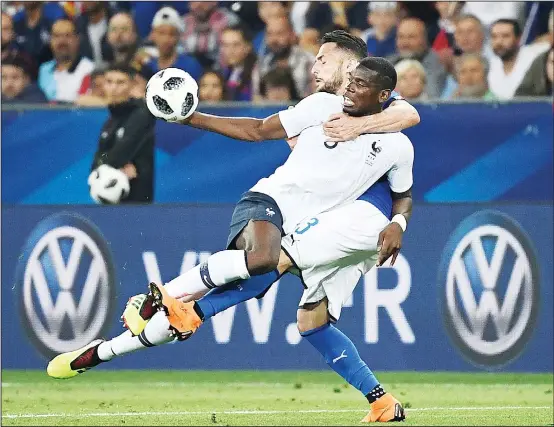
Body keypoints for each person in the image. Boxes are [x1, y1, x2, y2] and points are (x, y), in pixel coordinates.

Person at [48, 32, 418, 423]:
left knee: (312, 320)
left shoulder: (392, 131)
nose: (314, 67)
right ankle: (166, 302)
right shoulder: (321, 105)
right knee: (262, 263)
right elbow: (258, 130)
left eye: (322, 60)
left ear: (350, 67)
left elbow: (409, 121)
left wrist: (396, 217)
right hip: (273, 203)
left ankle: (105, 350)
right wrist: (191, 118)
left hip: (328, 224)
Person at [90, 64, 155, 203]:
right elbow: (96, 161)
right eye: (109, 82)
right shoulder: (110, 122)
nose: (113, 88)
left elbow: (120, 152)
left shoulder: (141, 114)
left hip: (138, 202)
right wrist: (106, 163)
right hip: (113, 199)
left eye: (120, 83)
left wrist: (104, 163)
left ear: (132, 86)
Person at [253, 16, 315, 99]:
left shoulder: (308, 61)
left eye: (279, 33)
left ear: (292, 34)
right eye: (270, 34)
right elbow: (257, 98)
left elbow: (317, 96)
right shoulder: (261, 63)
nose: (274, 39)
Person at [488, 19, 550, 100]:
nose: (499, 42)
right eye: (494, 37)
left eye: (505, 36)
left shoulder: (535, 53)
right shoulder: (491, 63)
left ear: (518, 39)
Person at [37, 19, 94, 103]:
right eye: (56, 36)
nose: (62, 41)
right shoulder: (44, 69)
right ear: (50, 41)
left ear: (77, 39)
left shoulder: (89, 69)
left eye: (67, 35)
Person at [389, 17, 447, 98]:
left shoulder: (436, 63)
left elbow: (433, 96)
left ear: (424, 39)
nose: (405, 43)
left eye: (411, 37)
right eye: (401, 37)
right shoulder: (388, 63)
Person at [142, 7, 203, 81]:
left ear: (179, 37)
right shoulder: (148, 66)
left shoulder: (190, 66)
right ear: (152, 35)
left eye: (172, 34)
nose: (166, 39)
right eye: (161, 33)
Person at [220, 24, 257, 101]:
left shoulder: (258, 73)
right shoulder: (225, 73)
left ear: (248, 47)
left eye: (236, 45)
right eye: (225, 45)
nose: (230, 51)